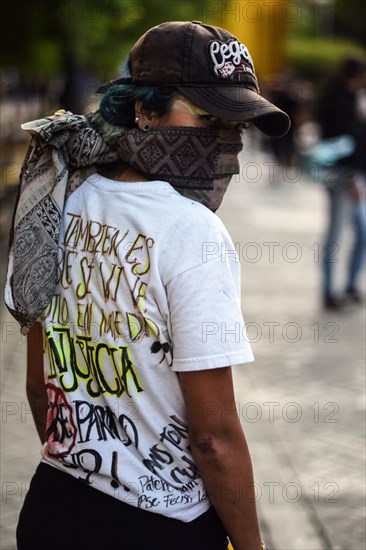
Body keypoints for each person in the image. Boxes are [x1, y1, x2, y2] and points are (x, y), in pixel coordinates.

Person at [4, 21, 290, 550]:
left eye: (235, 123)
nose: (224, 138)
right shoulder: (192, 230)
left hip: (54, 505)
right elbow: (212, 438)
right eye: (206, 116)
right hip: (161, 527)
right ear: (145, 110)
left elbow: (35, 384)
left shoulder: (58, 197)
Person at [317, 58, 366, 310]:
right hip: (344, 176)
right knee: (336, 234)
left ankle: (346, 286)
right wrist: (352, 179)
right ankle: (330, 290)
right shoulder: (341, 101)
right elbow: (346, 144)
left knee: (356, 232)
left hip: (346, 175)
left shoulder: (339, 97)